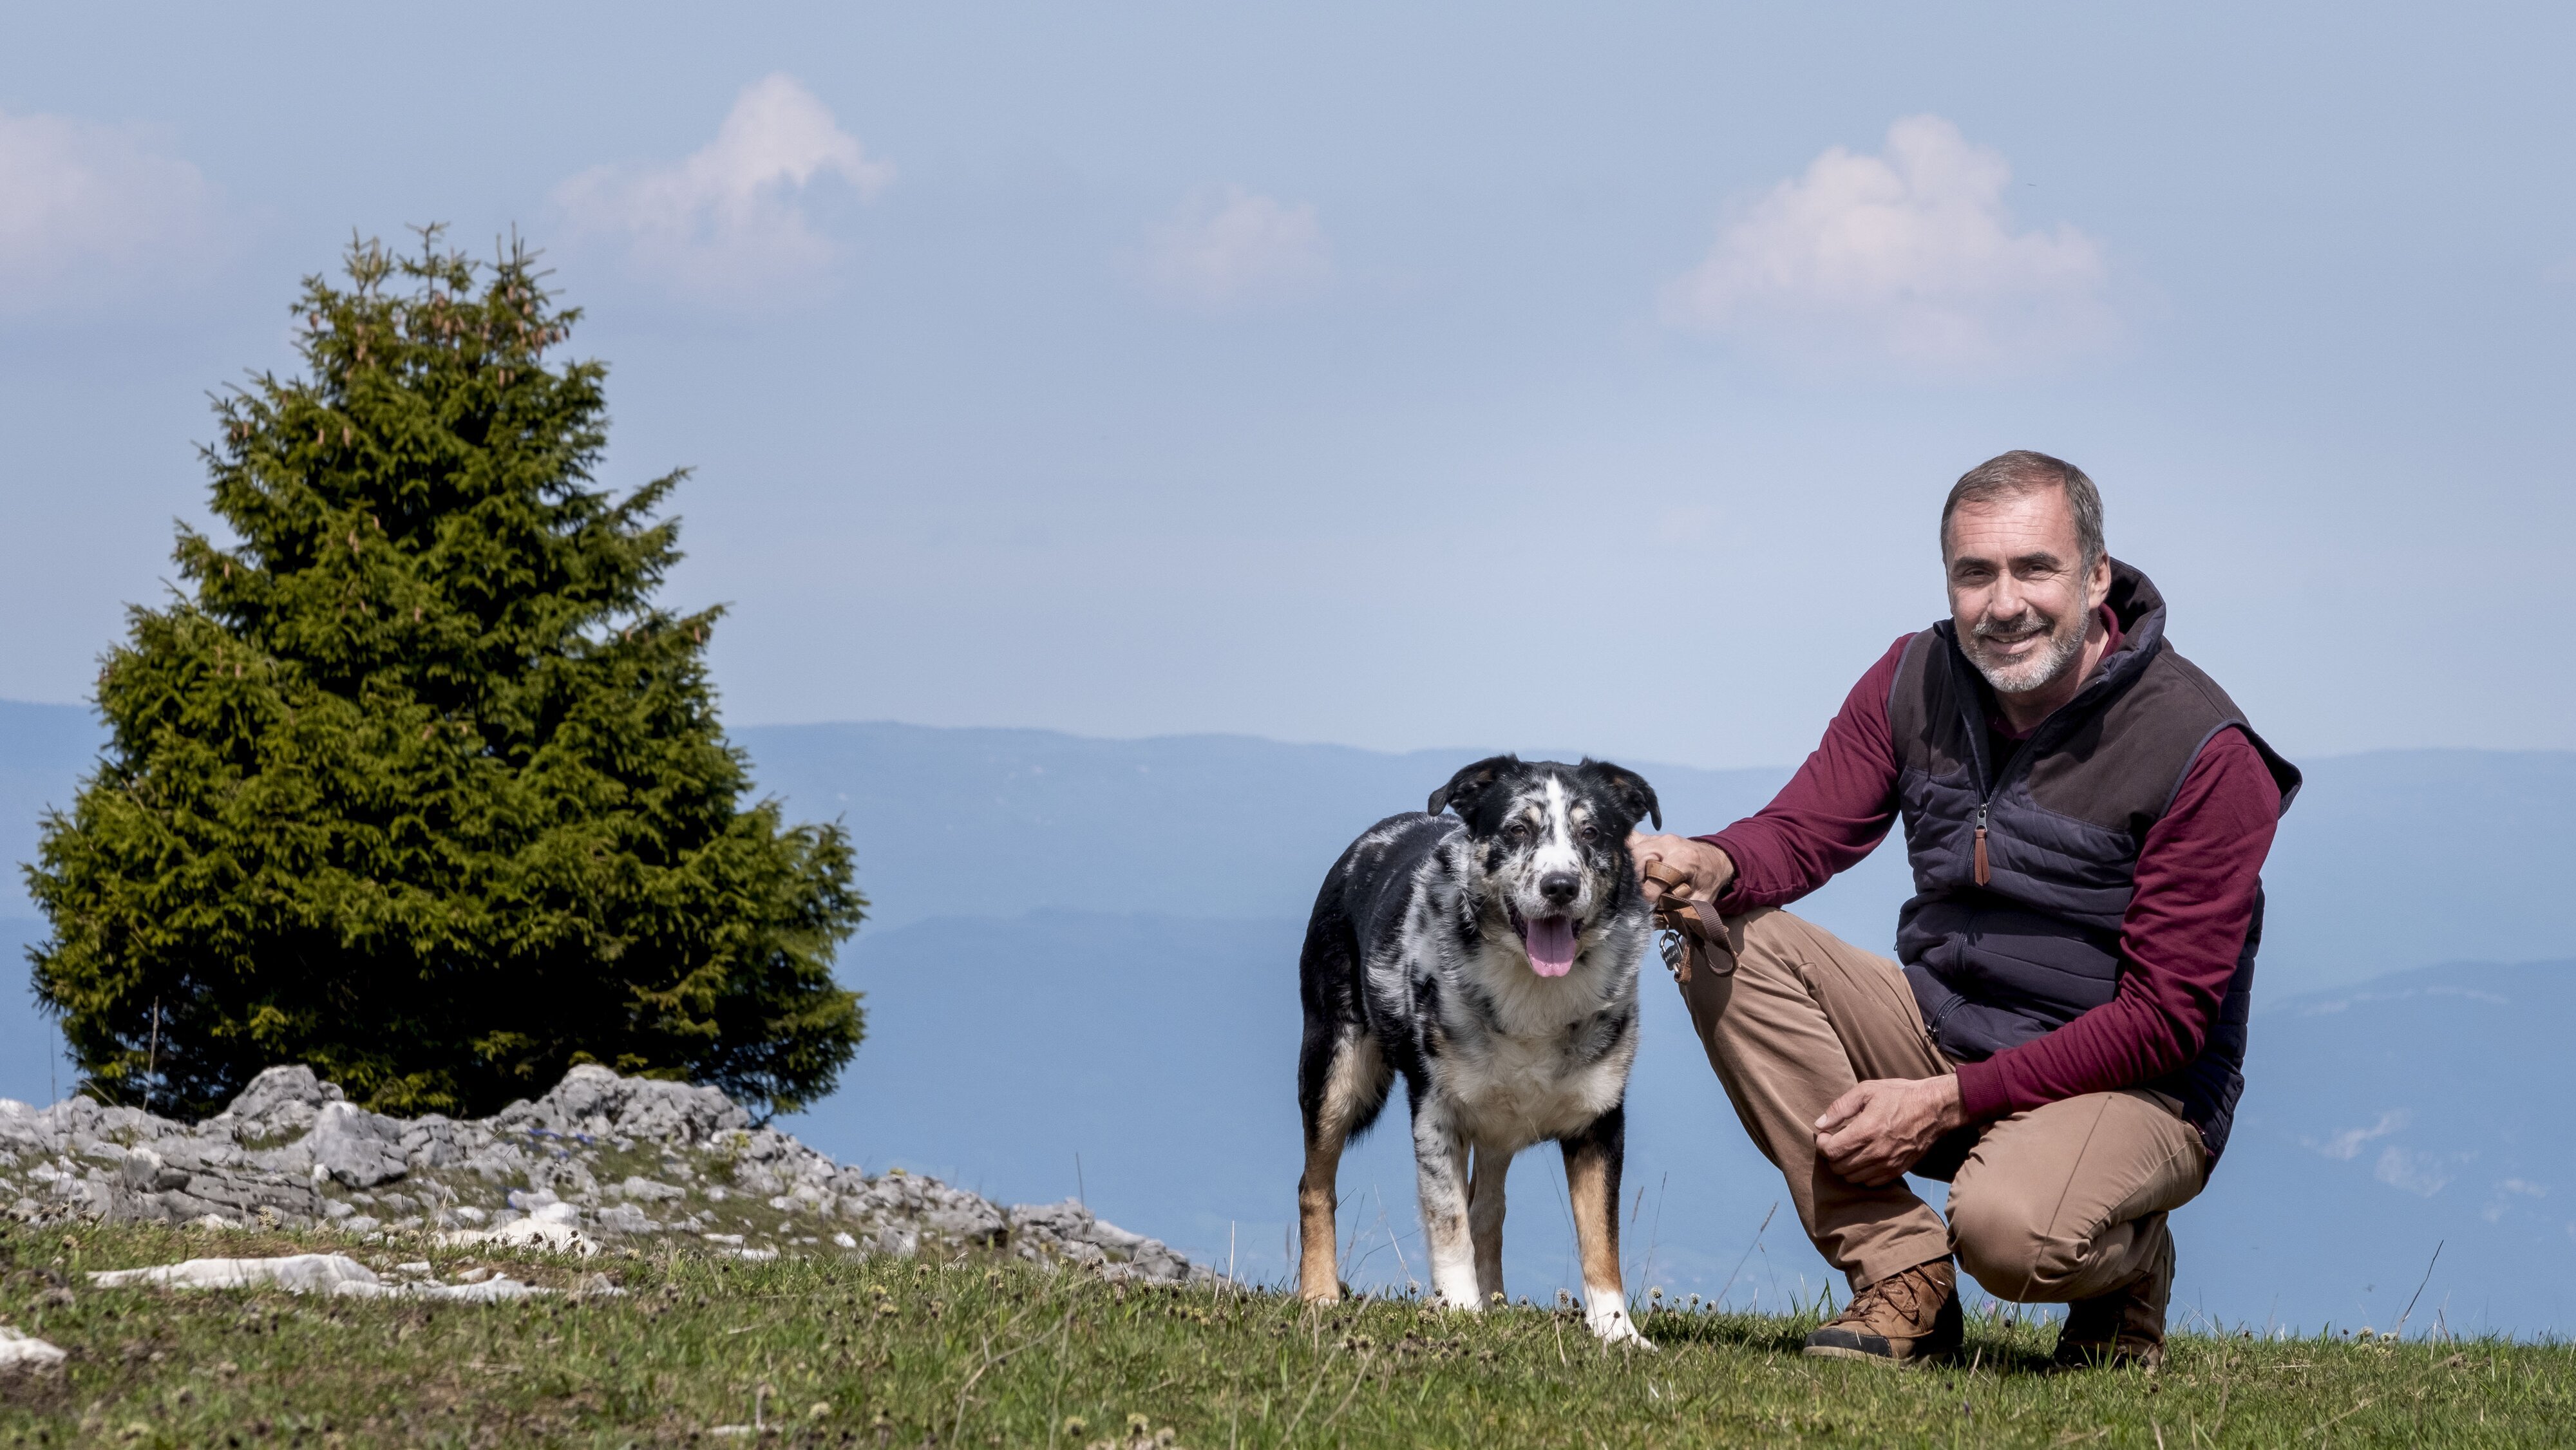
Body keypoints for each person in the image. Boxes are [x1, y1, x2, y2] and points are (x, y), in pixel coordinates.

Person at [1630, 451, 2299, 1368]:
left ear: (2097, 575)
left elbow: (2166, 1022)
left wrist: (1946, 1103)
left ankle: (2129, 1267)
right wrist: (1710, 861)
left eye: (2036, 568)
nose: (2003, 602)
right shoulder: (1916, 679)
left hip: (2133, 1085)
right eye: (1974, 573)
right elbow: (1807, 828)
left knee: (2010, 1237)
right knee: (1722, 940)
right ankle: (1902, 1273)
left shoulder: (2204, 751)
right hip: (1948, 1027)